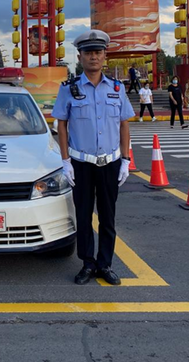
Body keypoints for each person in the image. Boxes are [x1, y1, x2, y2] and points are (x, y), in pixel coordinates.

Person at [52, 30, 134, 286]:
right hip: (81, 164)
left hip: (110, 163)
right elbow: (62, 125)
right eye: (88, 53)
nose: (93, 57)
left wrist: (126, 160)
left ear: (104, 55)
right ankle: (87, 263)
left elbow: (124, 125)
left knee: (108, 217)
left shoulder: (117, 89)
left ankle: (105, 264)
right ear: (80, 56)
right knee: (84, 216)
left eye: (98, 52)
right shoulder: (69, 89)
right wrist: (66, 161)